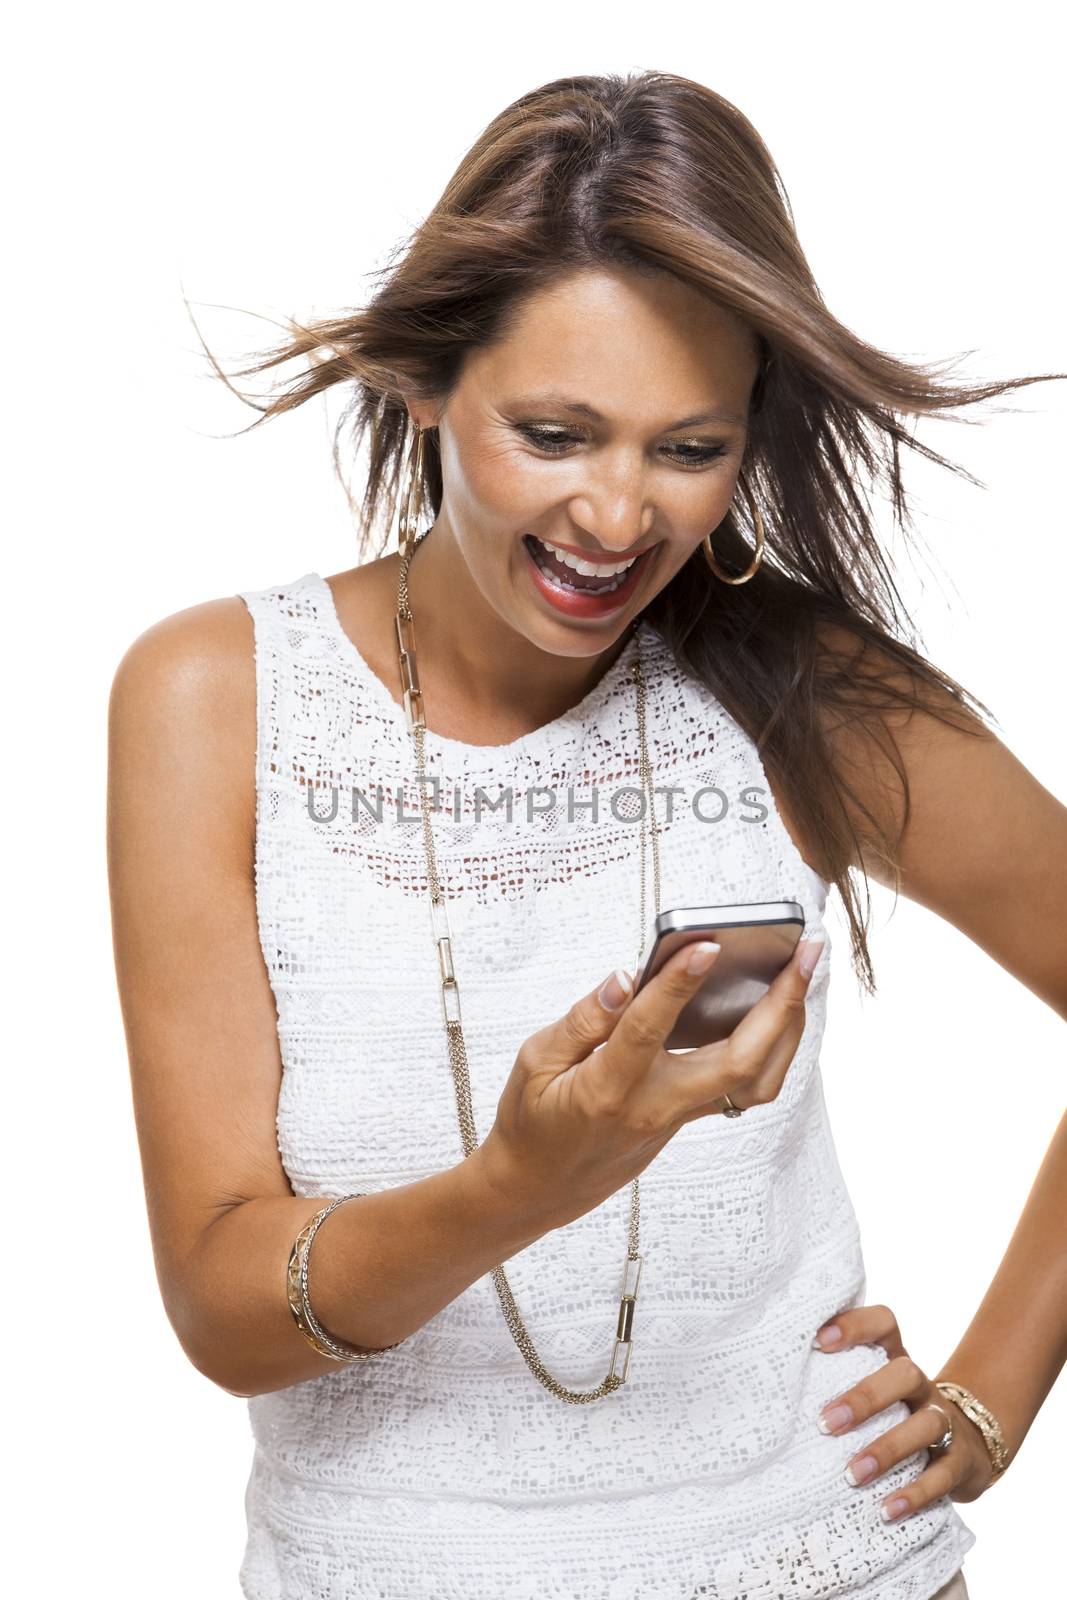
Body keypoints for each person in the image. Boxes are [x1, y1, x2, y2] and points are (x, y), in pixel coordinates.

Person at [106, 71, 1067, 1600]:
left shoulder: (797, 686)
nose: (618, 518)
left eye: (688, 448)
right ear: (428, 382)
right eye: (553, 432)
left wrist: (995, 1389)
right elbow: (224, 1314)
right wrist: (528, 1180)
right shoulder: (216, 699)